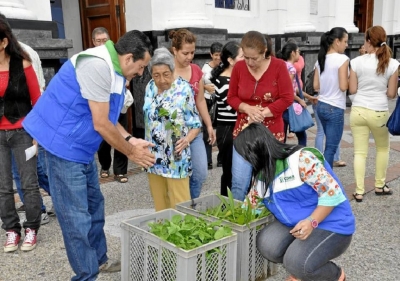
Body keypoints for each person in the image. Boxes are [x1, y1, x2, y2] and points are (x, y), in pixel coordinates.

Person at [23, 30, 155, 280]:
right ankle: (86, 275)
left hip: (80, 147)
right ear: (128, 58)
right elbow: (101, 124)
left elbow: (108, 118)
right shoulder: (96, 65)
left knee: (95, 207)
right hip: (61, 146)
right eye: (140, 67)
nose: (140, 73)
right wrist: (131, 153)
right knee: (75, 219)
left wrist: (129, 138)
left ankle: (98, 260)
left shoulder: (114, 69)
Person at [234, 123, 354, 281]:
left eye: (244, 156)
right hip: (297, 224)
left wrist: (311, 222)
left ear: (254, 153)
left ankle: (335, 275)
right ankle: (303, 264)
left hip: (332, 223)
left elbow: (332, 194)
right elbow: (250, 207)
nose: (244, 160)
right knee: (267, 245)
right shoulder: (263, 177)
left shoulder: (301, 159)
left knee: (296, 263)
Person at [227, 30, 294, 201]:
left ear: (264, 52)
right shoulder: (239, 68)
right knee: (239, 183)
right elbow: (232, 97)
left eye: (254, 58)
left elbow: (287, 97)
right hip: (244, 132)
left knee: (268, 182)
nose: (249, 62)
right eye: (246, 57)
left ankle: (267, 222)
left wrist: (264, 112)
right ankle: (238, 222)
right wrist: (247, 109)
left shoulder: (279, 66)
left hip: (271, 132)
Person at [0, 13, 42, 252]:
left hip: (23, 132)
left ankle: (31, 229)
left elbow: (37, 101)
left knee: (28, 184)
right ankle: (11, 230)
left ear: (4, 41)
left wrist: (37, 134)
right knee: (3, 187)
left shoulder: (23, 63)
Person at [144, 47, 201, 210]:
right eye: (156, 75)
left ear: (172, 70)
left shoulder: (184, 89)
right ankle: (161, 235)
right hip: (154, 157)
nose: (161, 80)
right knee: (160, 206)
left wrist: (187, 140)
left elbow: (196, 124)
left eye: (165, 74)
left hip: (176, 156)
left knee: (180, 205)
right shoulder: (149, 87)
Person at [349, 26, 399, 202]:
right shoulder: (392, 64)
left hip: (358, 110)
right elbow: (392, 94)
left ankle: (359, 191)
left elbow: (352, 89)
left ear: (369, 41)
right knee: (382, 148)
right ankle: (379, 185)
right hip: (379, 111)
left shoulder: (356, 62)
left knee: (360, 152)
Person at [169, 29, 216, 199]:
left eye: (192, 52)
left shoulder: (196, 70)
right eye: (185, 53)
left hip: (194, 131)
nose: (189, 57)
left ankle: (191, 203)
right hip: (173, 133)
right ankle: (182, 206)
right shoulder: (167, 71)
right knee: (177, 176)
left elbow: (200, 100)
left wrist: (209, 125)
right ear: (174, 50)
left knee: (200, 173)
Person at [13, 40, 52, 221]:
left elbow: (36, 90)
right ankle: (41, 210)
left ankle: (57, 204)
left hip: (26, 122)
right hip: (13, 124)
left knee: (33, 171)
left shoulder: (24, 53)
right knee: (24, 171)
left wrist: (37, 129)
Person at [92, 27, 130, 183]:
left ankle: (121, 171)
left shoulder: (117, 56)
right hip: (101, 104)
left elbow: (128, 72)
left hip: (119, 102)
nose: (102, 43)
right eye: (99, 41)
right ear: (93, 42)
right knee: (103, 139)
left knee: (122, 134)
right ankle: (105, 166)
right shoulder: (92, 59)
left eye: (105, 41)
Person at [209, 41, 243, 196]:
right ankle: (226, 205)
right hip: (228, 129)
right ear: (231, 60)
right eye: (242, 56)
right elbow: (234, 106)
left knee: (238, 169)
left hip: (237, 126)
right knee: (229, 170)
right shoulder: (223, 81)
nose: (246, 59)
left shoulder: (236, 77)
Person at [313, 27, 349, 168]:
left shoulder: (320, 59)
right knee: (331, 148)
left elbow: (316, 86)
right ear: (336, 41)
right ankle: (326, 180)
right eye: (345, 41)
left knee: (327, 143)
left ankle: (325, 177)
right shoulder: (342, 59)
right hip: (335, 107)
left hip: (321, 105)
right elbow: (343, 87)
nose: (347, 45)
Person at [276, 42, 308, 146]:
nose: (300, 54)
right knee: (302, 135)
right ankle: (300, 157)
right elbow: (287, 90)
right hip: (289, 105)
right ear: (293, 53)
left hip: (280, 105)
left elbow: (292, 88)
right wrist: (300, 100)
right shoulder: (291, 68)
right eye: (298, 52)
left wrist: (309, 97)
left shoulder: (280, 65)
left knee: (282, 136)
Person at [202, 42, 222, 169]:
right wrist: (205, 87)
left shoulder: (224, 67)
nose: (218, 57)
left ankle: (220, 159)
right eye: (215, 55)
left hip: (220, 101)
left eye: (220, 55)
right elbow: (198, 84)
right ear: (211, 54)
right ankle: (208, 160)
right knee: (206, 131)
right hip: (207, 101)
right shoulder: (204, 69)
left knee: (220, 130)